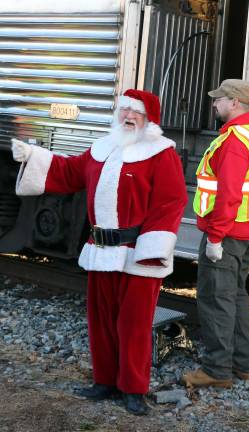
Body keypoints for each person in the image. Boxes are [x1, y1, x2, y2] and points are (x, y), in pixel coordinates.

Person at [11, 89, 188, 415]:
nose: (128, 118)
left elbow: (171, 202)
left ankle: (133, 389)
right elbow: (69, 173)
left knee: (133, 325)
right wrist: (33, 155)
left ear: (149, 120)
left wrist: (152, 248)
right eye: (124, 112)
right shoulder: (101, 149)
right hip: (101, 250)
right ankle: (105, 381)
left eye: (136, 113)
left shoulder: (162, 154)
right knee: (101, 320)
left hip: (138, 253)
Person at [182, 79, 249, 389]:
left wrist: (216, 238)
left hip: (228, 234)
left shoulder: (234, 139)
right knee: (235, 296)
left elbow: (229, 194)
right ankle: (243, 365)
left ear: (234, 102)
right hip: (246, 232)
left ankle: (217, 370)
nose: (214, 103)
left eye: (219, 99)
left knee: (215, 299)